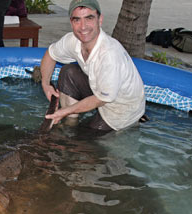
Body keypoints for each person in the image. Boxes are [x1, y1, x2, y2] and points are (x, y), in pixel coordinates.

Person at [39, 0, 145, 132]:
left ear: (100, 20)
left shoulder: (109, 54)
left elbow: (101, 99)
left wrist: (64, 111)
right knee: (68, 71)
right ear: (71, 23)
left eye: (89, 18)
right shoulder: (73, 40)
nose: (83, 27)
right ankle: (70, 123)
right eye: (77, 20)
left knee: (83, 143)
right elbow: (50, 54)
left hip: (122, 108)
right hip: (101, 91)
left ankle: (131, 123)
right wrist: (45, 84)